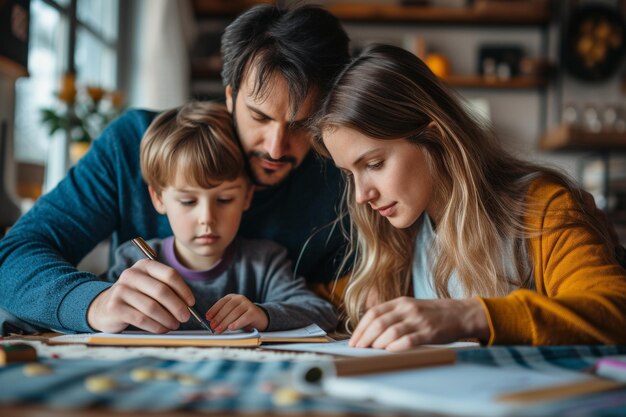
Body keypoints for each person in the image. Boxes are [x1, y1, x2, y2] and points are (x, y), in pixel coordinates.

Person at [0, 4, 350, 334]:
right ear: (229, 96)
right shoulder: (134, 145)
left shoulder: (344, 174)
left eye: (301, 124)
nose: (276, 147)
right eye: (259, 116)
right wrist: (95, 302)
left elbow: (360, 296)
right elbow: (13, 258)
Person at [313, 44, 626, 351]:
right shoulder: (402, 243)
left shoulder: (544, 207)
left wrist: (471, 315)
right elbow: (331, 295)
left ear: (435, 138)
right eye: (350, 174)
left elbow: (614, 309)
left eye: (374, 164)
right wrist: (271, 310)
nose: (361, 195)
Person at [102, 102, 337, 333]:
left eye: (224, 200)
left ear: (247, 197)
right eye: (188, 201)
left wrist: (263, 315)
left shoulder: (264, 263)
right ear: (159, 198)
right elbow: (108, 312)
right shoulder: (133, 262)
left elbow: (321, 312)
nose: (207, 218)